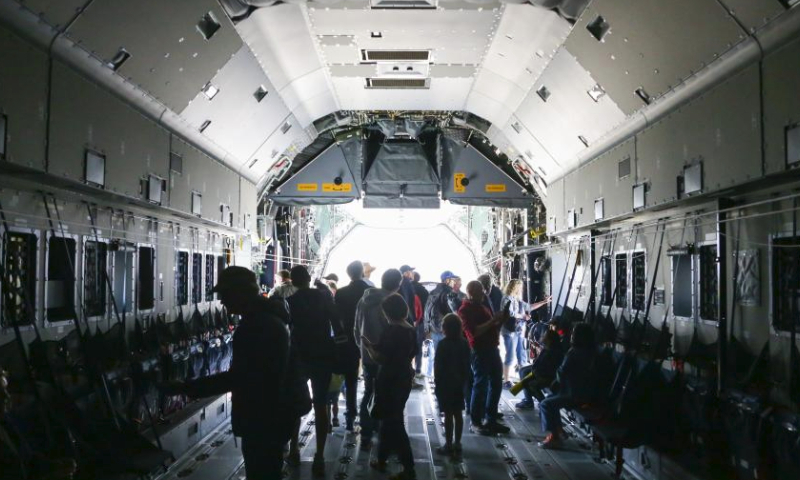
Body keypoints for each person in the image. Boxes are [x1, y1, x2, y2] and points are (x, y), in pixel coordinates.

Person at [163, 267, 310, 480]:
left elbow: (242, 378)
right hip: (275, 415)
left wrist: (185, 388)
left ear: (240, 293)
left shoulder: (258, 326)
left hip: (264, 418)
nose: (222, 301)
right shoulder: (269, 319)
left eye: (225, 294)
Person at [286, 265, 344, 476]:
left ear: (292, 281)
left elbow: (286, 327)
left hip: (299, 355)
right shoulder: (324, 297)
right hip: (323, 354)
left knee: (295, 403)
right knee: (321, 404)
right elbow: (337, 323)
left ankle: (293, 450)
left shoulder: (290, 302)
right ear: (309, 278)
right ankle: (319, 455)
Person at [362, 294, 417, 480]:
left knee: (393, 423)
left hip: (389, 379)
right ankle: (382, 459)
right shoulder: (409, 328)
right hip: (404, 377)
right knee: (389, 419)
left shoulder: (392, 330)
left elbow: (381, 357)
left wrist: (369, 348)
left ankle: (408, 468)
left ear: (387, 312)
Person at [354, 268, 404, 450]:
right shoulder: (391, 302)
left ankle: (366, 434)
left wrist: (363, 349)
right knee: (388, 396)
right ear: (398, 284)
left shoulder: (364, 300)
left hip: (368, 356)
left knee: (369, 392)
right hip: (388, 358)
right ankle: (385, 436)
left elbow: (356, 327)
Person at [459, 281, 511, 435]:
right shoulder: (464, 310)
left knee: (496, 384)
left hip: (492, 348)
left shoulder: (483, 307)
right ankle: (475, 422)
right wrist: (493, 321)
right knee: (480, 384)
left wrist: (501, 320)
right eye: (479, 291)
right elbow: (473, 333)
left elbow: (493, 328)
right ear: (470, 293)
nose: (483, 293)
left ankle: (491, 419)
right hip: (479, 351)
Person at [538, 323, 597, 449]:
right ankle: (559, 430)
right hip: (587, 392)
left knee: (545, 404)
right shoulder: (592, 352)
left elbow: (561, 372)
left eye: (574, 333)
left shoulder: (574, 352)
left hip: (573, 393)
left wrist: (556, 381)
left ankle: (554, 437)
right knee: (548, 400)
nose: (571, 335)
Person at [334, 260, 372, 431]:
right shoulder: (370, 291)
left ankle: (350, 416)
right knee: (371, 380)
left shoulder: (341, 293)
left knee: (350, 380)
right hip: (368, 339)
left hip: (347, 340)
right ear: (361, 273)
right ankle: (370, 417)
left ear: (348, 274)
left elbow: (336, 317)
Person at [500, 280, 552, 388]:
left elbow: (529, 307)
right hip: (510, 332)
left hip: (518, 330)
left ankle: (522, 381)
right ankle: (506, 380)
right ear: (515, 288)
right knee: (510, 355)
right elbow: (509, 313)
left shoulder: (517, 300)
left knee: (521, 355)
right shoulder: (506, 299)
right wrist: (523, 316)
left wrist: (544, 302)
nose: (522, 290)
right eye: (520, 288)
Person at [433, 314, 471, 458]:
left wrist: (437, 383)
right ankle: (458, 443)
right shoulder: (464, 343)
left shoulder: (443, 344)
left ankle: (448, 444)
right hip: (459, 384)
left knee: (448, 415)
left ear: (444, 328)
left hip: (445, 384)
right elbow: (468, 364)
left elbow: (438, 366)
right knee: (458, 413)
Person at [423, 271, 462, 377]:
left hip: (434, 328)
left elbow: (426, 311)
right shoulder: (448, 293)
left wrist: (427, 329)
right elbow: (453, 311)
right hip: (445, 329)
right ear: (447, 280)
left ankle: (438, 379)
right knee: (448, 357)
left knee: (438, 356)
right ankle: (445, 380)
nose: (454, 282)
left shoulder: (433, 292)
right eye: (452, 280)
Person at [514, 329, 564, 409]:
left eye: (544, 336)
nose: (542, 337)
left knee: (530, 382)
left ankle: (541, 403)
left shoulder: (554, 351)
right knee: (522, 371)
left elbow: (547, 367)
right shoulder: (547, 348)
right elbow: (539, 363)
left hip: (548, 376)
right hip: (541, 371)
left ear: (549, 339)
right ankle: (528, 400)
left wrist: (534, 373)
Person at [412, 272, 429, 377]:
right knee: (418, 346)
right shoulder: (423, 290)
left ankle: (409, 369)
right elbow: (427, 306)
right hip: (420, 321)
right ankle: (418, 370)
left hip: (409, 321)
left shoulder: (406, 288)